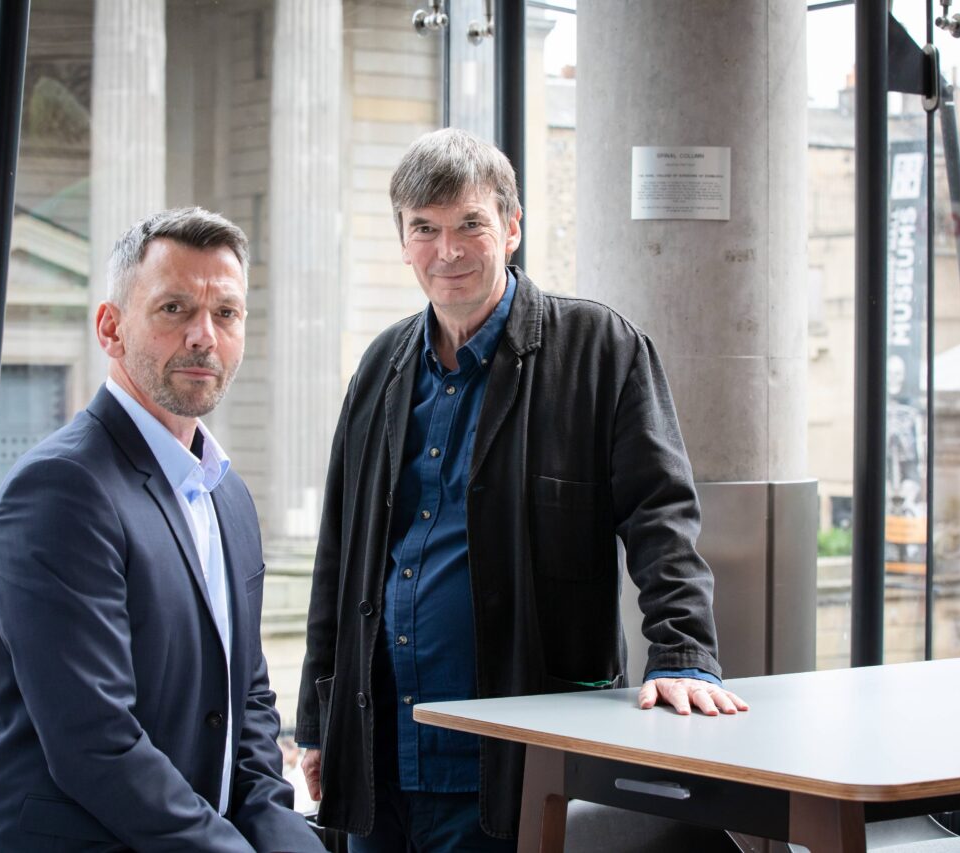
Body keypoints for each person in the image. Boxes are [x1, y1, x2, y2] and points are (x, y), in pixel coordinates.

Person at [296, 129, 748, 851]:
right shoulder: (381, 365)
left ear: (511, 227)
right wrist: (320, 723)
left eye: (469, 224)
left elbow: (661, 517)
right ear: (404, 241)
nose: (447, 250)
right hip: (382, 757)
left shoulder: (600, 348)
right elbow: (338, 555)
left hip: (515, 756)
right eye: (425, 229)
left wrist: (683, 651)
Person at [0, 208, 324, 853]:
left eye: (226, 313)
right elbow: (95, 743)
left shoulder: (227, 493)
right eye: (174, 309)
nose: (204, 336)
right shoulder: (59, 491)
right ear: (111, 328)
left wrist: (284, 838)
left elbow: (247, 701)